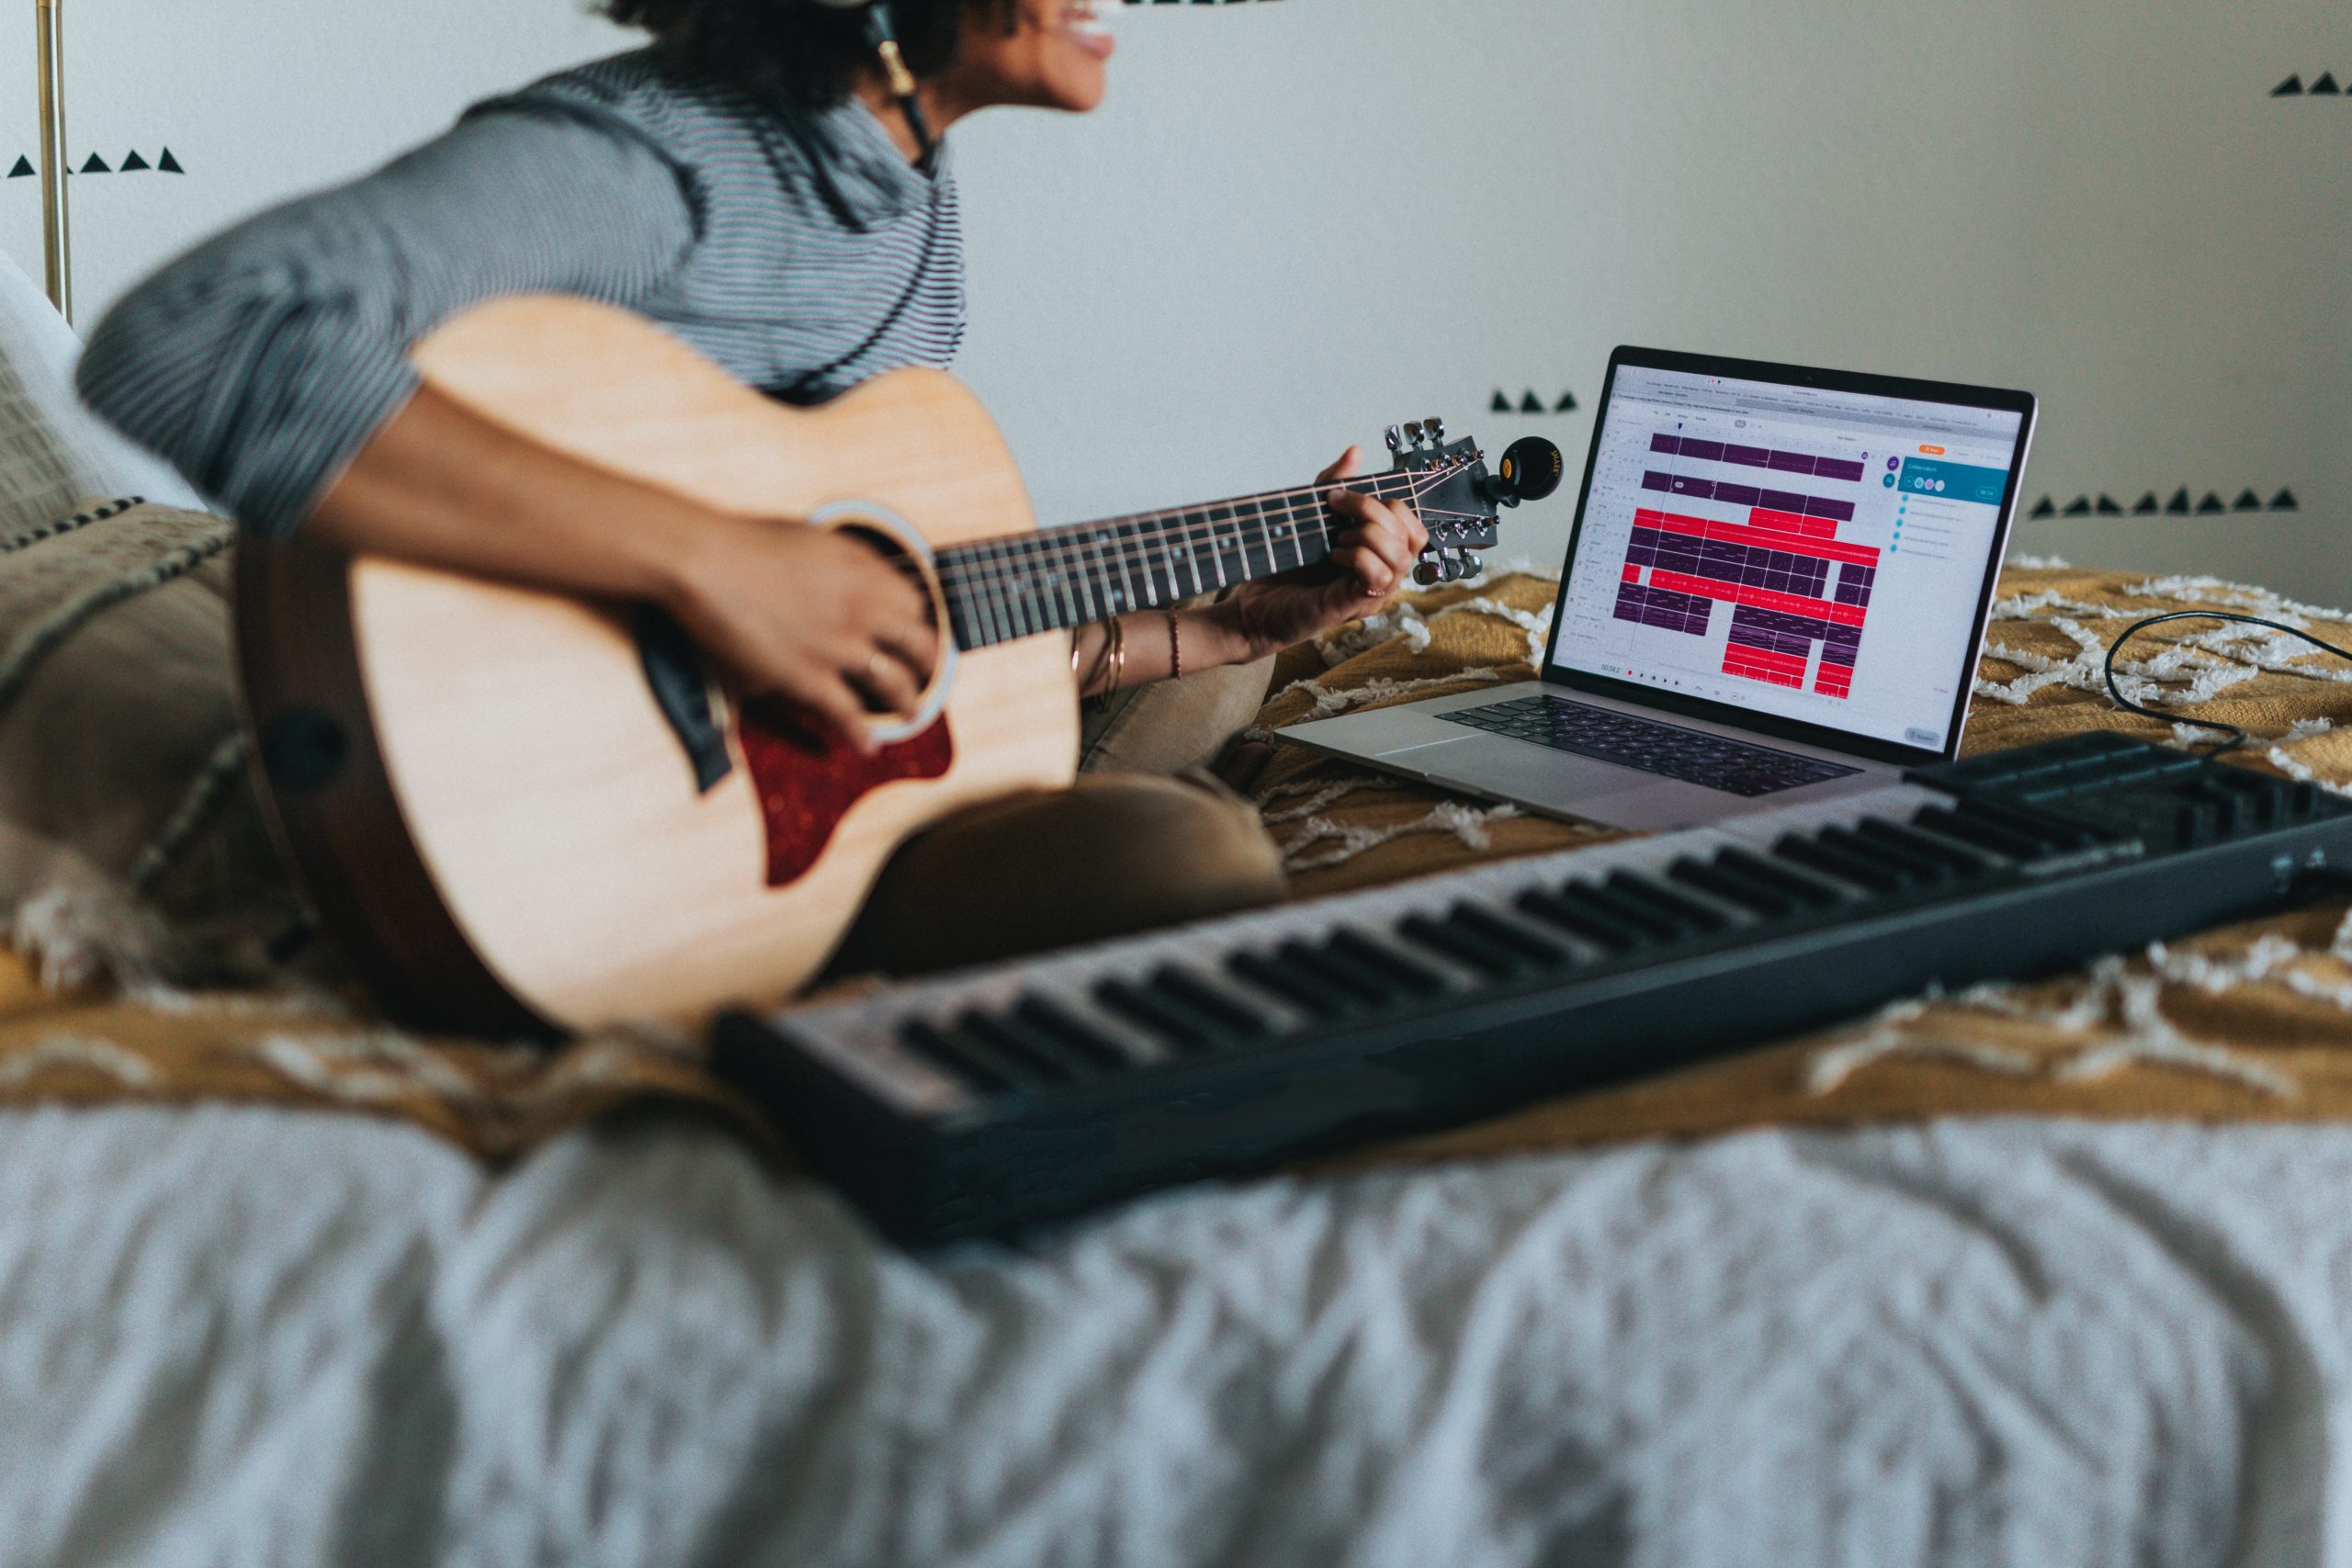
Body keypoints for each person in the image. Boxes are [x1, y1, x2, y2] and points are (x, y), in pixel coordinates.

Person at [76, 0, 1430, 978]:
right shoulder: (660, 159)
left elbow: (885, 604)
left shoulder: (910, 190)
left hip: (803, 750)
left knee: (1221, 676)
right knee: (1197, 867)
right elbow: (199, 334)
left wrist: (1227, 627)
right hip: (585, 788)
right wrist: (715, 565)